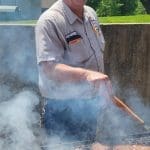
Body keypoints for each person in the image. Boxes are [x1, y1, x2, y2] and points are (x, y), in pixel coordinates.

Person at [35, 0, 113, 141]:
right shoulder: (50, 21)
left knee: (87, 145)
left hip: (89, 105)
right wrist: (87, 74)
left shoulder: (91, 14)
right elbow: (48, 68)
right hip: (62, 110)